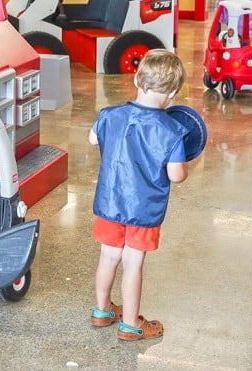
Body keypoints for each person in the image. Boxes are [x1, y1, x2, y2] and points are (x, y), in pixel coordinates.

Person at [89, 48, 189, 342]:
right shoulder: (172, 131)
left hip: (110, 202)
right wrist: (184, 165)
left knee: (108, 256)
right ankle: (131, 324)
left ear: (136, 79)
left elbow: (93, 138)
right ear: (172, 94)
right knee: (133, 263)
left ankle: (102, 310)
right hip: (143, 210)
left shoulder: (109, 115)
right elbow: (176, 175)